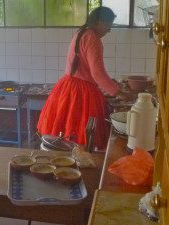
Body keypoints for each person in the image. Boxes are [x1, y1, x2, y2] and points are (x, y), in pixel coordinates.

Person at [37, 6, 131, 151]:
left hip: (67, 85)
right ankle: (81, 166)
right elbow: (97, 74)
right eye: (108, 26)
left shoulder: (80, 33)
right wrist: (118, 92)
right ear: (99, 22)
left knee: (64, 136)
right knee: (82, 138)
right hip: (82, 92)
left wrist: (112, 85)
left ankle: (66, 165)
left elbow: (89, 69)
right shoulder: (92, 38)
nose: (108, 30)